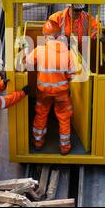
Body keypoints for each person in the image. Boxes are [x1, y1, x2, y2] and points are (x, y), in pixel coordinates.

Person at [25, 20, 78, 155]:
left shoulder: (40, 50)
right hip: (61, 93)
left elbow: (27, 64)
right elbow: (72, 75)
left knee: (41, 114)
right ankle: (65, 148)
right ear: (58, 35)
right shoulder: (67, 52)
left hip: (43, 92)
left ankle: (38, 143)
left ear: (46, 36)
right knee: (64, 116)